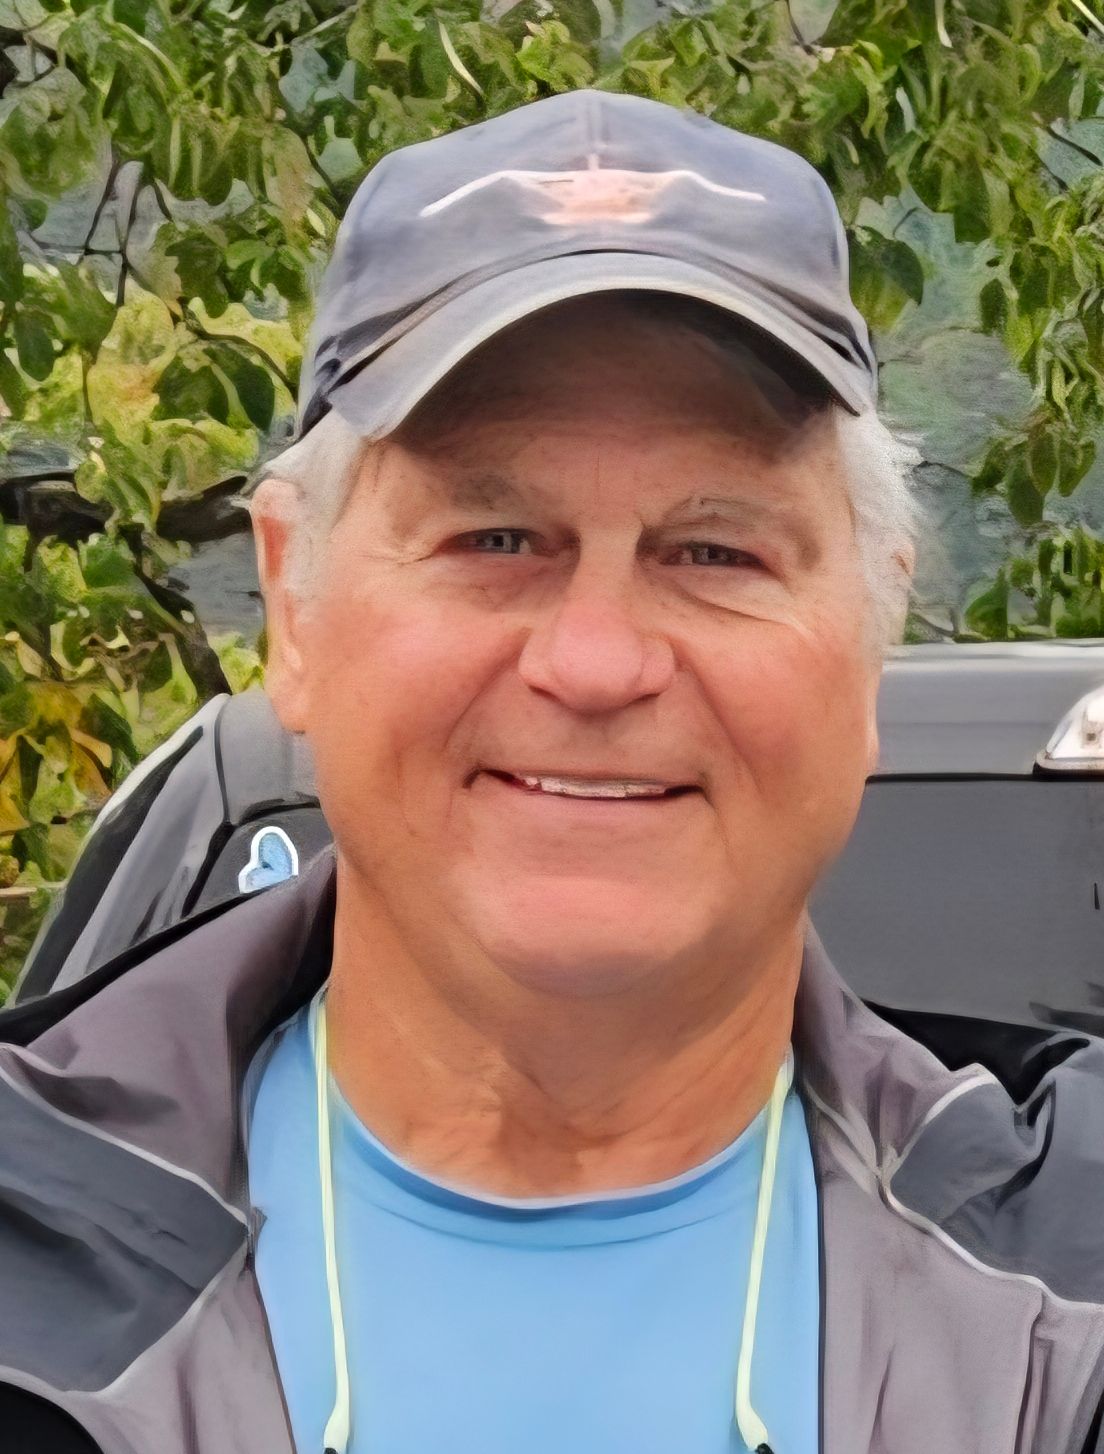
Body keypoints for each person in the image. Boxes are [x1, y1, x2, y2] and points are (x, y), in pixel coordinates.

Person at [1, 87, 1103, 1454]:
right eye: (495, 539)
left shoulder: (1068, 1285)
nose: (595, 662)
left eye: (716, 551)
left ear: (873, 624)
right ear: (293, 605)